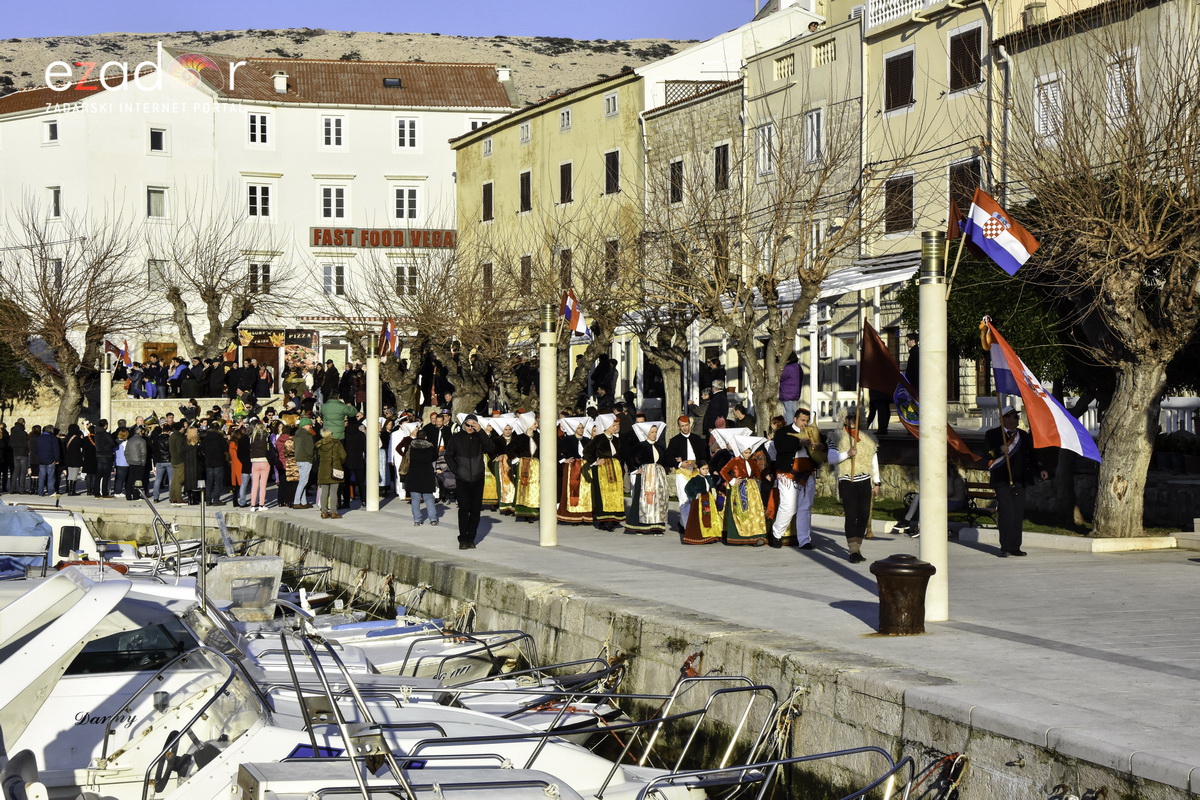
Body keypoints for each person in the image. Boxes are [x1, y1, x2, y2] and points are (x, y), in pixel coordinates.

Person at [984, 405, 1048, 557]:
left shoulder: (1023, 436)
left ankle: (1015, 546)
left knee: (1018, 514)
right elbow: (987, 454)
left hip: (1020, 480)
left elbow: (1032, 455)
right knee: (1006, 513)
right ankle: (1005, 546)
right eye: (1014, 416)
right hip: (1002, 480)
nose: (1017, 419)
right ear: (1005, 419)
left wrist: (1041, 469)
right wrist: (1000, 449)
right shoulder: (993, 434)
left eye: (1017, 417)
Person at [826, 412, 881, 563]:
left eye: (855, 418)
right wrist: (847, 454)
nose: (852, 421)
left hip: (864, 480)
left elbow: (873, 460)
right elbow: (831, 458)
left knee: (864, 515)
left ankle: (858, 546)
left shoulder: (868, 438)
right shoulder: (836, 437)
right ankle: (853, 550)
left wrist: (877, 482)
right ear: (844, 419)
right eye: (849, 417)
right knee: (851, 515)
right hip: (847, 480)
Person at [768, 408, 821, 549]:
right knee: (788, 506)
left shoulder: (811, 431)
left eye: (807, 420)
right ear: (795, 419)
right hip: (788, 474)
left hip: (807, 474)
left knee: (806, 507)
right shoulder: (782, 432)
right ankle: (776, 534)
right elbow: (781, 447)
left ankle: (804, 540)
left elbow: (824, 447)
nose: (805, 423)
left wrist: (819, 445)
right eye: (803, 420)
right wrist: (800, 443)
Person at [445, 414, 495, 549]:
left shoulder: (480, 437)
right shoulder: (456, 438)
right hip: (462, 479)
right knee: (464, 509)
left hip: (478, 478)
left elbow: (491, 449)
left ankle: (471, 538)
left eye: (473, 425)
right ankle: (463, 539)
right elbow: (448, 455)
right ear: (463, 424)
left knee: (475, 510)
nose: (470, 428)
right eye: (468, 425)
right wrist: (457, 470)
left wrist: (481, 431)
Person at [718, 432, 770, 546]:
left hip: (751, 488)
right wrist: (732, 480)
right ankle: (739, 535)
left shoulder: (752, 461)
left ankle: (756, 535)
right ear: (741, 451)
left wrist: (765, 477)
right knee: (740, 511)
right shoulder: (735, 460)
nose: (747, 454)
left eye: (749, 452)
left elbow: (757, 474)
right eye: (746, 452)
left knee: (754, 511)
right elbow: (723, 471)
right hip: (739, 488)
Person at [624, 421, 668, 535]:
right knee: (644, 501)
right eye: (652, 432)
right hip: (645, 476)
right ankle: (641, 526)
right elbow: (629, 457)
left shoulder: (660, 445)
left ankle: (657, 526)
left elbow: (665, 459)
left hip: (658, 475)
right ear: (646, 433)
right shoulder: (640, 445)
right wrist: (634, 469)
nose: (654, 434)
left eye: (655, 432)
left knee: (658, 500)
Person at [666, 415, 707, 533]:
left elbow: (704, 456)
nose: (685, 428)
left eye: (687, 425)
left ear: (690, 425)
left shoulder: (697, 439)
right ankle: (688, 527)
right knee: (684, 499)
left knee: (696, 498)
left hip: (696, 472)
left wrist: (699, 466)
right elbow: (667, 457)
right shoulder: (675, 440)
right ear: (679, 427)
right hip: (682, 473)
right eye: (682, 426)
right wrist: (679, 464)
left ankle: (689, 523)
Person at [584, 415, 624, 531]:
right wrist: (594, 462)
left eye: (615, 425)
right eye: (613, 425)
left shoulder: (616, 439)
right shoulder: (598, 439)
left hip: (615, 468)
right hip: (602, 470)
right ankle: (604, 520)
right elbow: (586, 451)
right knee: (603, 494)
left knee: (615, 492)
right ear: (606, 427)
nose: (615, 427)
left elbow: (620, 453)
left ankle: (614, 517)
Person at [556, 416, 593, 524]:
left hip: (585, 467)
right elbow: (556, 450)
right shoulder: (568, 440)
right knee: (573, 490)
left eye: (582, 428)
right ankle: (573, 515)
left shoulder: (587, 440)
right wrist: (563, 460)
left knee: (585, 491)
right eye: (578, 428)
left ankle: (585, 514)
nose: (581, 430)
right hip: (573, 467)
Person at [508, 412, 540, 522]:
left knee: (535, 487)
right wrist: (516, 459)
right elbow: (509, 449)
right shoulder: (520, 438)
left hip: (536, 465)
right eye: (534, 423)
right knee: (524, 487)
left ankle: (534, 510)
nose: (536, 425)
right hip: (524, 465)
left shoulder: (538, 436)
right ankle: (525, 512)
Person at [681, 462, 721, 545]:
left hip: (708, 500)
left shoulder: (708, 478)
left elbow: (712, 486)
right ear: (698, 469)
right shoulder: (695, 479)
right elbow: (687, 489)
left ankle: (710, 535)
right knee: (700, 519)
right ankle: (699, 536)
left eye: (707, 469)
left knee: (710, 518)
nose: (705, 471)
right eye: (703, 469)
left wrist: (713, 492)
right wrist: (695, 494)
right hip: (699, 502)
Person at [406, 429, 439, 525]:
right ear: (426, 437)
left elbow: (406, 456)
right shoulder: (430, 447)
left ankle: (417, 520)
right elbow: (435, 457)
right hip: (426, 473)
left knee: (415, 498)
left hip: (414, 473)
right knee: (428, 497)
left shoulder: (411, 445)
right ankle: (433, 519)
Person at [314, 429, 347, 520]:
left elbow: (316, 458)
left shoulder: (319, 445)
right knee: (334, 492)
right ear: (330, 434)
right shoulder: (336, 444)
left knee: (324, 491)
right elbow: (343, 455)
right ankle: (333, 512)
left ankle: (324, 512)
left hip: (323, 470)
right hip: (335, 469)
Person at [246, 419, 272, 510]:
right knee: (263, 485)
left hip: (254, 461)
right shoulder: (265, 437)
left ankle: (252, 505)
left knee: (255, 484)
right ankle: (261, 505)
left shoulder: (251, 438)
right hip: (264, 461)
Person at [201, 423, 228, 505]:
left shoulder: (205, 438)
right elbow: (226, 448)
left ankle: (208, 500)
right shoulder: (220, 438)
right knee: (217, 482)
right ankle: (216, 499)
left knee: (209, 482)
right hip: (218, 461)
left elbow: (203, 449)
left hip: (209, 461)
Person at [292, 418, 316, 509]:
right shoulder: (307, 435)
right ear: (306, 425)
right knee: (303, 481)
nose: (311, 427)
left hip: (299, 459)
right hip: (306, 459)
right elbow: (310, 449)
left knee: (303, 481)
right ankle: (297, 501)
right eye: (310, 425)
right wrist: (312, 457)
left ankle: (303, 501)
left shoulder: (297, 434)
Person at [779, 353, 802, 423]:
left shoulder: (788, 368)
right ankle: (796, 427)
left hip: (787, 393)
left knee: (788, 412)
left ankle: (790, 428)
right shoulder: (798, 367)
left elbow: (781, 377)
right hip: (796, 393)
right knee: (795, 412)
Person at [9, 419, 29, 494]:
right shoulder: (23, 433)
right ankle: (21, 488)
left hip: (15, 453)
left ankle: (12, 488)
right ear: (23, 423)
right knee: (23, 471)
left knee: (15, 471)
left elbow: (10, 443)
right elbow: (27, 444)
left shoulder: (13, 433)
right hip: (23, 453)